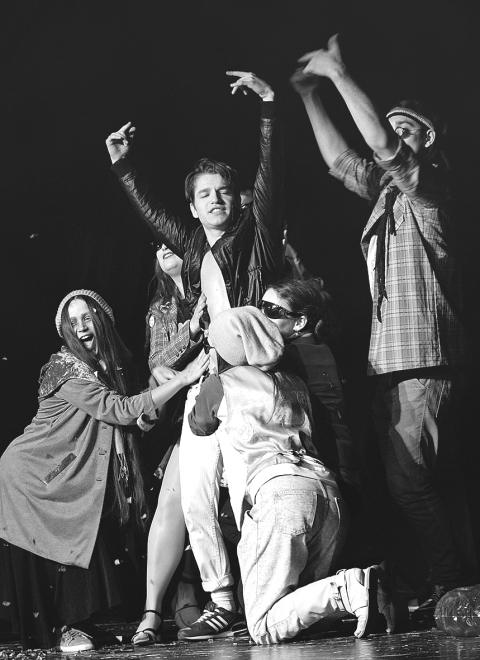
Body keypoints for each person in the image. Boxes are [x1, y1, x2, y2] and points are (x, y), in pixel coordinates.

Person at [293, 34, 477, 618]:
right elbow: (341, 161)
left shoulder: (432, 189)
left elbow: (381, 147)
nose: (389, 137)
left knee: (410, 482)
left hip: (422, 360)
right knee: (425, 482)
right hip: (394, 362)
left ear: (428, 140)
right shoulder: (390, 198)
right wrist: (308, 96)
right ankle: (455, 580)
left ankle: (452, 583)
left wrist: (338, 74)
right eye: (389, 124)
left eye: (404, 129)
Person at [106, 70, 285, 634]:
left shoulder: (255, 240)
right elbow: (154, 214)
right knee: (195, 494)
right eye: (204, 194)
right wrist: (125, 169)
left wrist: (268, 111)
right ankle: (221, 599)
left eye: (223, 191)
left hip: (254, 382)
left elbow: (269, 180)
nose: (216, 199)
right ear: (193, 206)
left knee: (250, 493)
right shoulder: (192, 247)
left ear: (238, 198)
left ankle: (267, 596)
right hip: (209, 384)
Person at [0, 290, 208, 651]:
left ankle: (79, 626)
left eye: (87, 318)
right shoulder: (65, 368)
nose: (81, 327)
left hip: (62, 473)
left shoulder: (109, 369)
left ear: (102, 321)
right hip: (33, 474)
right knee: (62, 548)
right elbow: (121, 410)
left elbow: (133, 416)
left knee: (80, 544)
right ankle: (64, 630)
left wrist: (159, 389)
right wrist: (183, 378)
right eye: (73, 322)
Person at [184, 306, 382, 644]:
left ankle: (349, 587)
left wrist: (207, 382)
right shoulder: (295, 382)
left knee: (262, 626)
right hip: (328, 496)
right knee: (297, 611)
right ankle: (369, 587)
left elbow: (199, 425)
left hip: (280, 497)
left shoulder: (221, 384)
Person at [132, 244, 207, 645]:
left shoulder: (214, 284)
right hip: (185, 411)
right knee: (171, 501)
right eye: (156, 244)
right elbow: (157, 361)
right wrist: (191, 329)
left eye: (168, 239)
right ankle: (152, 610)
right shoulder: (160, 308)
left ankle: (212, 596)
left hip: (228, 396)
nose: (162, 247)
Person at [260, 276, 361, 507]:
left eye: (271, 310)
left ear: (299, 322)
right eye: (261, 306)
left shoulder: (289, 356)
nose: (261, 315)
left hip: (332, 467)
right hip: (338, 461)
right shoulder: (318, 346)